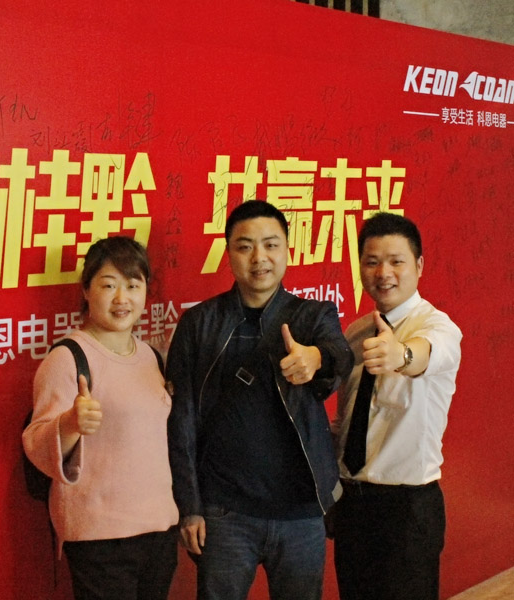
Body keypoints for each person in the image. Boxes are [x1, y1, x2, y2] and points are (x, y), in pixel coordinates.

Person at [166, 199, 353, 600]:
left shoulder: (313, 315)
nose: (259, 258)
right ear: (228, 252)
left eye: (271, 245)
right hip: (224, 512)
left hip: (301, 513)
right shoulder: (199, 323)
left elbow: (340, 355)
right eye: (245, 246)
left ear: (287, 249)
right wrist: (190, 505)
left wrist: (315, 358)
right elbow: (181, 420)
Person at [22, 236, 179, 600]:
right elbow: (36, 444)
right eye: (108, 285)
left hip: (159, 529)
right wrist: (70, 424)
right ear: (86, 290)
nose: (122, 298)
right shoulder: (68, 358)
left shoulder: (151, 356)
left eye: (133, 285)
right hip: (100, 539)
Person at [330, 213, 462, 600]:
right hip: (353, 504)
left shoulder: (437, 327)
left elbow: (423, 354)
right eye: (372, 262)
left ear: (418, 266)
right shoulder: (357, 333)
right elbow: (346, 420)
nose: (383, 273)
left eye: (396, 261)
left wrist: (400, 355)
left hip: (407, 508)